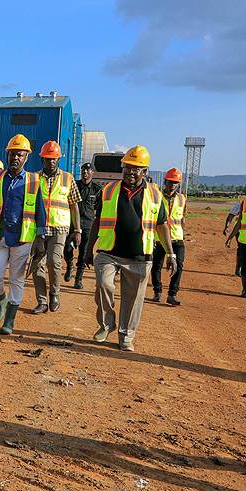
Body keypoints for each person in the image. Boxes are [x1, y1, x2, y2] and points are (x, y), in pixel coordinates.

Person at [83, 146, 175, 351]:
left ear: (144, 171)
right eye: (127, 167)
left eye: (136, 168)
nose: (131, 172)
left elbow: (162, 225)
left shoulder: (155, 195)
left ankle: (126, 336)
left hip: (139, 256)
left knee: (133, 299)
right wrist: (89, 249)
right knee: (103, 285)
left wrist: (171, 253)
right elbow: (98, 220)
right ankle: (106, 325)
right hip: (109, 252)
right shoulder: (108, 190)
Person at [0, 135, 47, 335]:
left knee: (16, 279)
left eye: (20, 154)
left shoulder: (35, 181)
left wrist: (40, 239)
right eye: (12, 154)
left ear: (26, 158)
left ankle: (9, 320)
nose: (15, 157)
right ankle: (1, 300)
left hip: (22, 239)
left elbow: (40, 212)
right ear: (7, 155)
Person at [31, 141, 81, 314]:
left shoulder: (68, 178)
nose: (51, 162)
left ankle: (54, 294)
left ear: (58, 160)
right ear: (42, 160)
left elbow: (74, 206)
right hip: (38, 229)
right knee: (37, 265)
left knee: (54, 261)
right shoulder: (35, 178)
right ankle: (42, 301)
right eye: (47, 159)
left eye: (54, 159)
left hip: (60, 228)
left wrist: (77, 230)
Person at [150, 168, 187, 306]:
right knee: (156, 266)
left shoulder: (181, 199)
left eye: (176, 182)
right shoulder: (157, 197)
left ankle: (172, 294)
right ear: (165, 181)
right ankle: (157, 292)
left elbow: (183, 218)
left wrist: (183, 234)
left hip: (177, 238)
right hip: (159, 238)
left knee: (179, 266)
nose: (173, 185)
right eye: (170, 182)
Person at [63, 162, 101, 289]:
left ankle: (78, 279)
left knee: (83, 252)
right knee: (67, 248)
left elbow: (98, 207)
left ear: (92, 173)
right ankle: (69, 265)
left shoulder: (96, 189)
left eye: (88, 170)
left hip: (88, 225)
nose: (85, 172)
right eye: (83, 169)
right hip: (73, 223)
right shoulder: (75, 186)